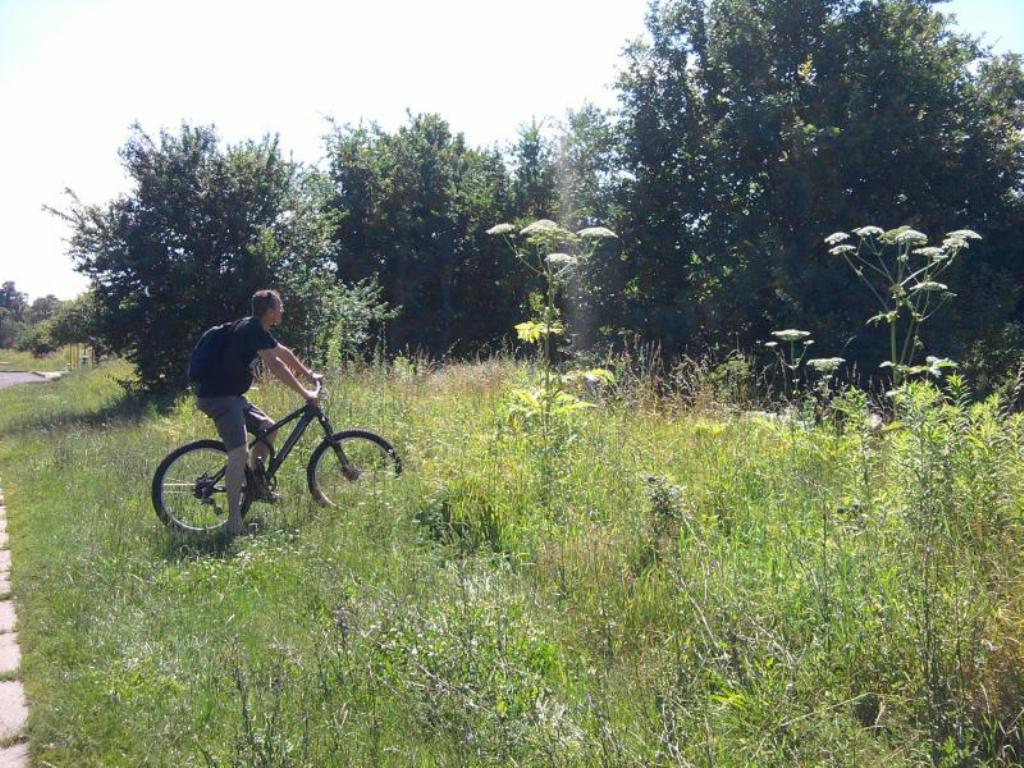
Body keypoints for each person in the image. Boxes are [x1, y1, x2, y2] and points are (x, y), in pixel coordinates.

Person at [195, 289, 321, 537]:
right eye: (280, 306)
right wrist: (305, 393)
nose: (282, 310)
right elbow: (275, 365)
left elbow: (282, 352)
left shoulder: (256, 328)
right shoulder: (251, 328)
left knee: (268, 428)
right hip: (219, 398)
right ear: (270, 311)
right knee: (239, 453)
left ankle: (257, 486)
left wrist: (309, 374)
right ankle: (233, 522)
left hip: (232, 396)